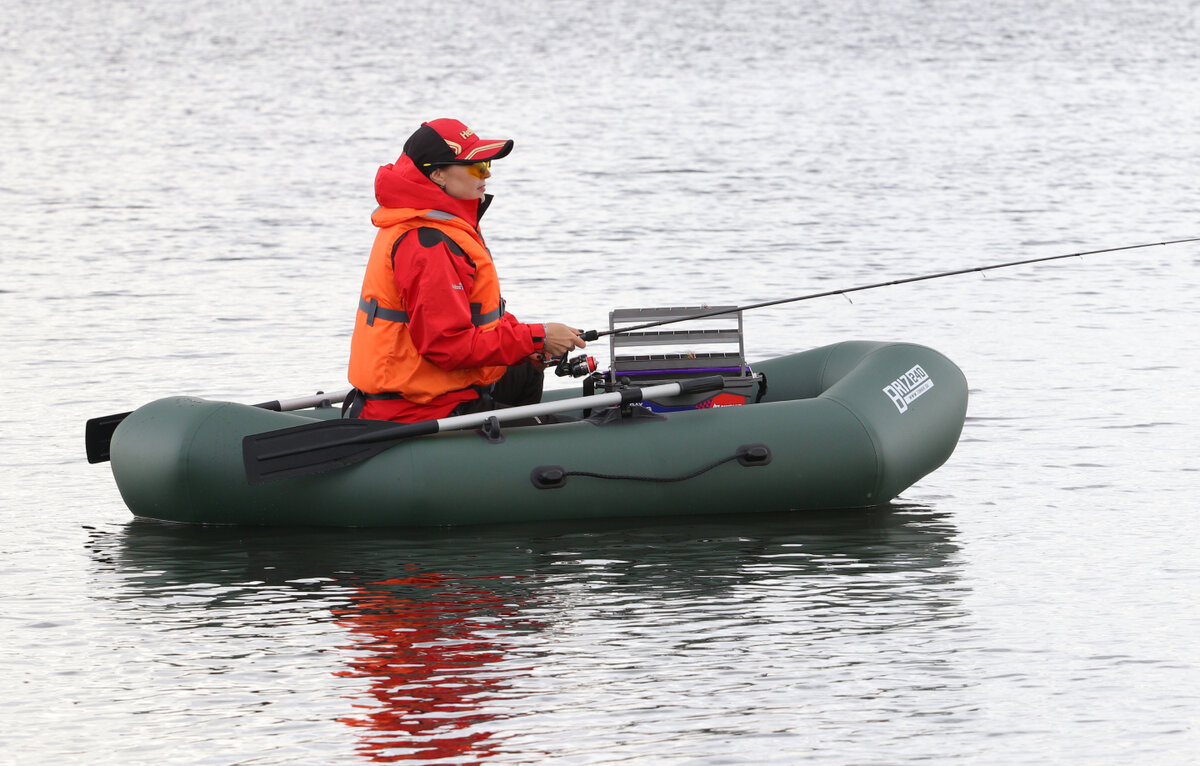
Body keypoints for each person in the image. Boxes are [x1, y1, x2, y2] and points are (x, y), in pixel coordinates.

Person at [345, 118, 585, 422]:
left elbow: (477, 314)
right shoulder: (428, 244)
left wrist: (530, 344)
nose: (487, 174)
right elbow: (448, 347)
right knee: (548, 424)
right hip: (419, 409)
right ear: (438, 174)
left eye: (486, 164)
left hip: (438, 389)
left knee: (525, 369)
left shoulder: (438, 224)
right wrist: (538, 336)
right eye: (477, 167)